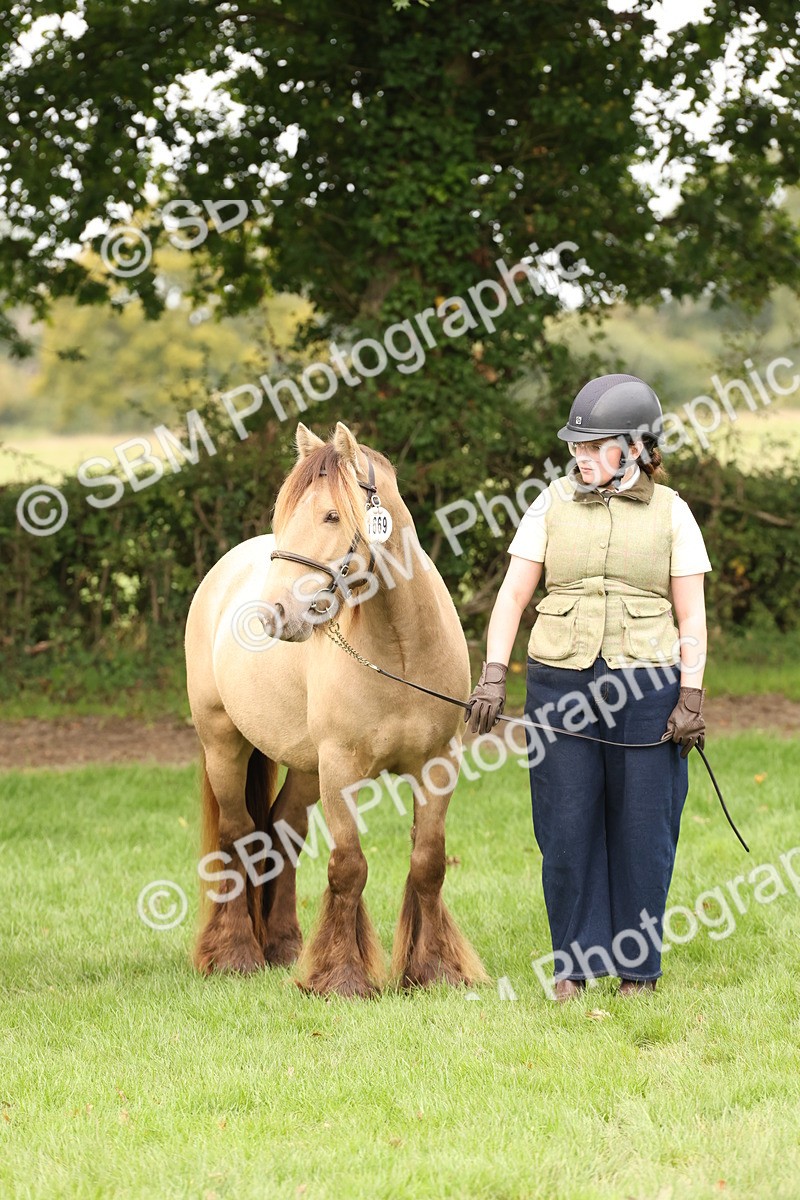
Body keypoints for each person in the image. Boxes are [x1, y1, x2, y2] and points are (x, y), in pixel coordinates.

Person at [465, 374, 712, 1002]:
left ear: (634, 448)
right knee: (565, 825)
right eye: (576, 445)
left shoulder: (673, 513)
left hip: (648, 687)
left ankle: (637, 968)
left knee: (645, 828)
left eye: (594, 445)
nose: (580, 456)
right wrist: (492, 675)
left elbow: (692, 615)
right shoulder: (548, 505)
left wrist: (690, 698)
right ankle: (573, 965)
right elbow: (512, 597)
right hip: (560, 685)